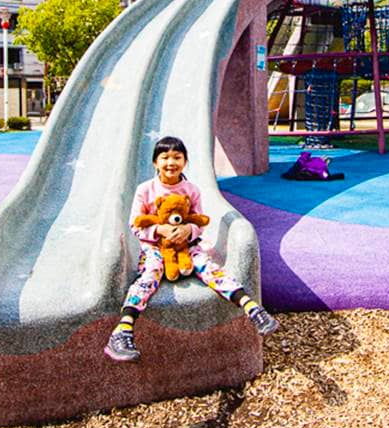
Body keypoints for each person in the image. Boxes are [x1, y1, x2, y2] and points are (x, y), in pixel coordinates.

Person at [104, 135, 279, 362]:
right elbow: (135, 224)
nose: (171, 162)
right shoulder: (145, 190)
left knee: (210, 268)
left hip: (188, 246)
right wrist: (159, 230)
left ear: (185, 162)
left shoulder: (191, 190)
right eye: (165, 157)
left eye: (177, 157)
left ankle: (252, 309)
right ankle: (122, 330)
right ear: (155, 162)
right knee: (150, 274)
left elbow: (199, 222)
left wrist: (189, 230)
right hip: (154, 247)